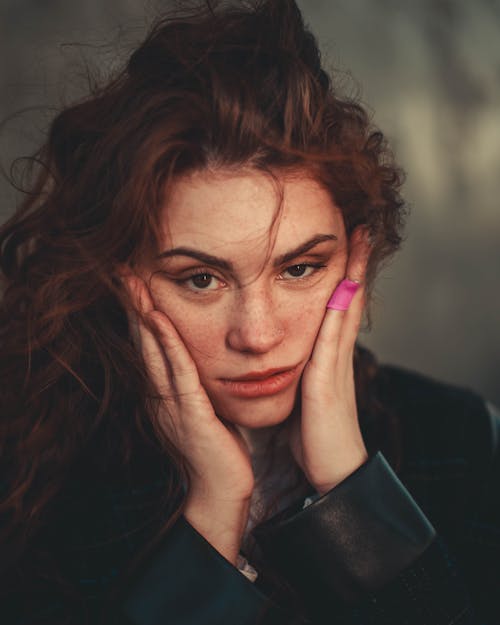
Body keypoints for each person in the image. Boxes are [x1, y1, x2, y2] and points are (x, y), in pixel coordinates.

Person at [0, 1, 499, 623]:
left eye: (299, 268)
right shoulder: (31, 479)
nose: (258, 335)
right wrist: (210, 517)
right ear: (120, 278)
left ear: (356, 260)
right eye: (201, 279)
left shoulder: (466, 440)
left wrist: (352, 488)